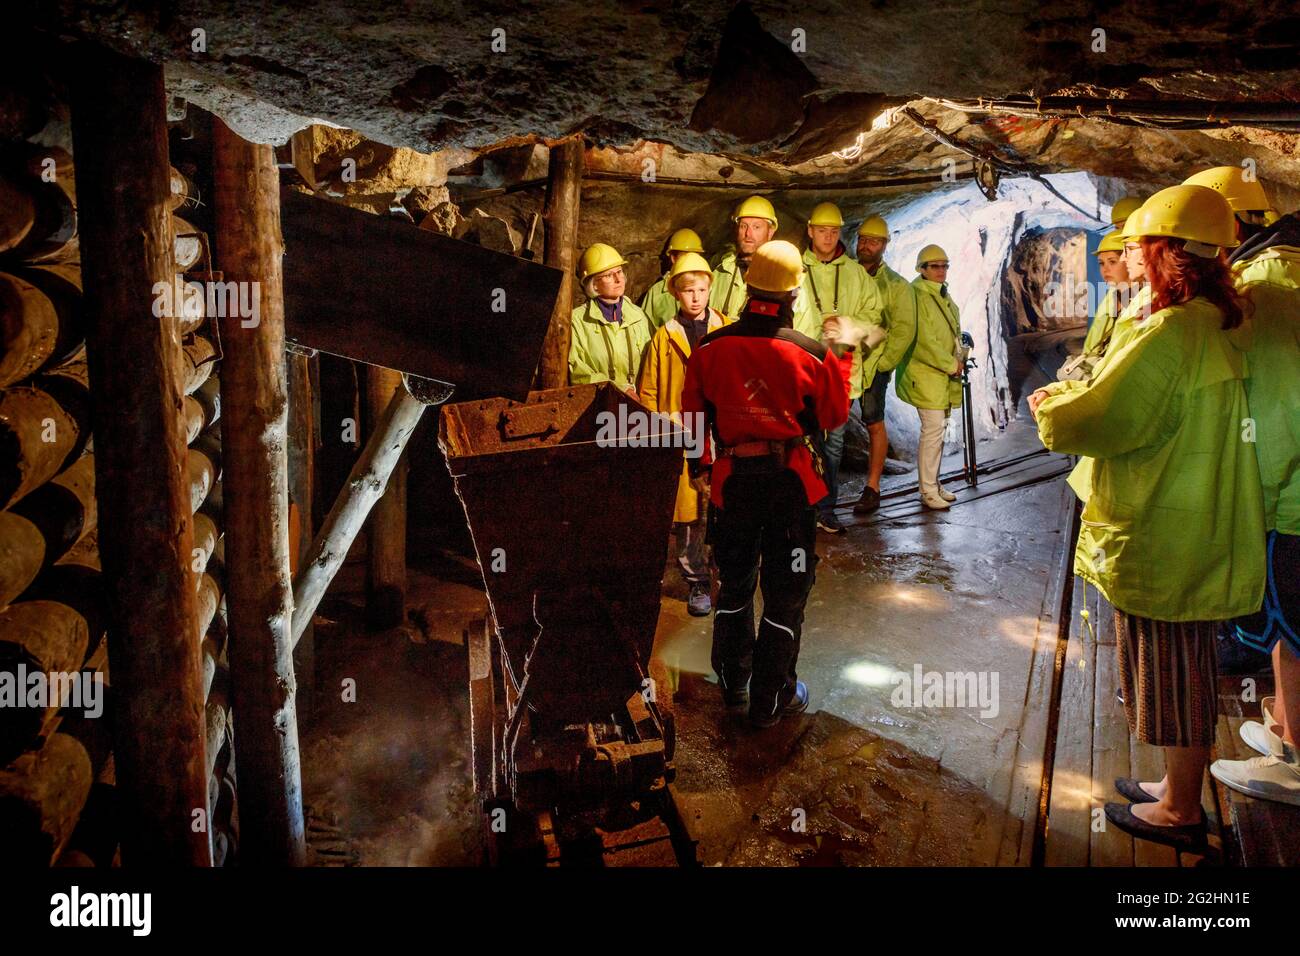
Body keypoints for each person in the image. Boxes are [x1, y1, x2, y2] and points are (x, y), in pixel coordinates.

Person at [1029, 184, 1266, 849]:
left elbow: (1107, 416)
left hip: (1166, 524)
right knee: (1179, 662)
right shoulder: (1217, 321)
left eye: (1142, 247)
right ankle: (1174, 787)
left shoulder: (1172, 330)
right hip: (1192, 514)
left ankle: (1182, 810)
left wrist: (1051, 408)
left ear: (1165, 254)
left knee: (1173, 671)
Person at [681, 240, 849, 728]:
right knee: (785, 588)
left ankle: (733, 682)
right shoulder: (810, 354)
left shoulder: (710, 347)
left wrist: (699, 467)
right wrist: (840, 357)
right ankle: (770, 700)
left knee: (734, 583)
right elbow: (833, 417)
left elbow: (693, 416)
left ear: (748, 285)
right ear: (794, 292)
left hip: (732, 483)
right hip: (787, 485)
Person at [1187, 166, 1300, 805]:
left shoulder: (1262, 291)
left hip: (1291, 501)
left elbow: (1279, 416)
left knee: (1294, 619)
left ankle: (1297, 764)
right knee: (1290, 629)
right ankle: (1285, 730)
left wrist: (1243, 502)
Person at [638, 252, 730, 617]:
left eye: (702, 289)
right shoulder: (665, 337)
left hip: (723, 434)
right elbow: (648, 392)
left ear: (711, 289)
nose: (696, 297)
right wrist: (658, 437)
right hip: (682, 435)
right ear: (676, 293)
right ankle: (697, 583)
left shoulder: (728, 329)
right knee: (688, 516)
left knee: (723, 509)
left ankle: (726, 575)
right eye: (688, 290)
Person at [796, 202, 883, 533]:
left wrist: (846, 327)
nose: (828, 237)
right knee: (804, 444)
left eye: (834, 231)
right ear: (810, 231)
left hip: (841, 374)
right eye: (822, 231)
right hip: (803, 374)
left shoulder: (855, 274)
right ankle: (803, 508)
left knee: (833, 446)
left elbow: (876, 326)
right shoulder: (796, 271)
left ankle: (825, 510)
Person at [853, 214, 917, 515]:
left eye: (874, 241)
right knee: (833, 426)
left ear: (884, 245)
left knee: (873, 420)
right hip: (843, 361)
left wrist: (884, 365)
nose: (866, 245)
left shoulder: (896, 286)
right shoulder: (847, 274)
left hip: (873, 365)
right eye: (863, 239)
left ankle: (872, 486)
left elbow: (903, 329)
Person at [895, 244, 962, 511]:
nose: (941, 271)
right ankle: (928, 490)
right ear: (922, 269)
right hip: (927, 375)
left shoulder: (940, 293)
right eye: (935, 266)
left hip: (941, 375)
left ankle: (933, 482)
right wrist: (950, 364)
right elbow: (924, 341)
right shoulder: (918, 295)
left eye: (944, 266)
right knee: (933, 431)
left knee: (939, 429)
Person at [568, 242, 651, 393]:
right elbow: (578, 372)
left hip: (640, 404)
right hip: (598, 407)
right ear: (593, 284)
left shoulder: (639, 316)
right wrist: (621, 390)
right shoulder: (577, 321)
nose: (618, 279)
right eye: (608, 275)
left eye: (619, 272)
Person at [639, 228, 706, 330]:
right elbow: (645, 331)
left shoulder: (709, 286)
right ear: (673, 258)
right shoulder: (656, 292)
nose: (690, 262)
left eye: (694, 256)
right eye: (686, 257)